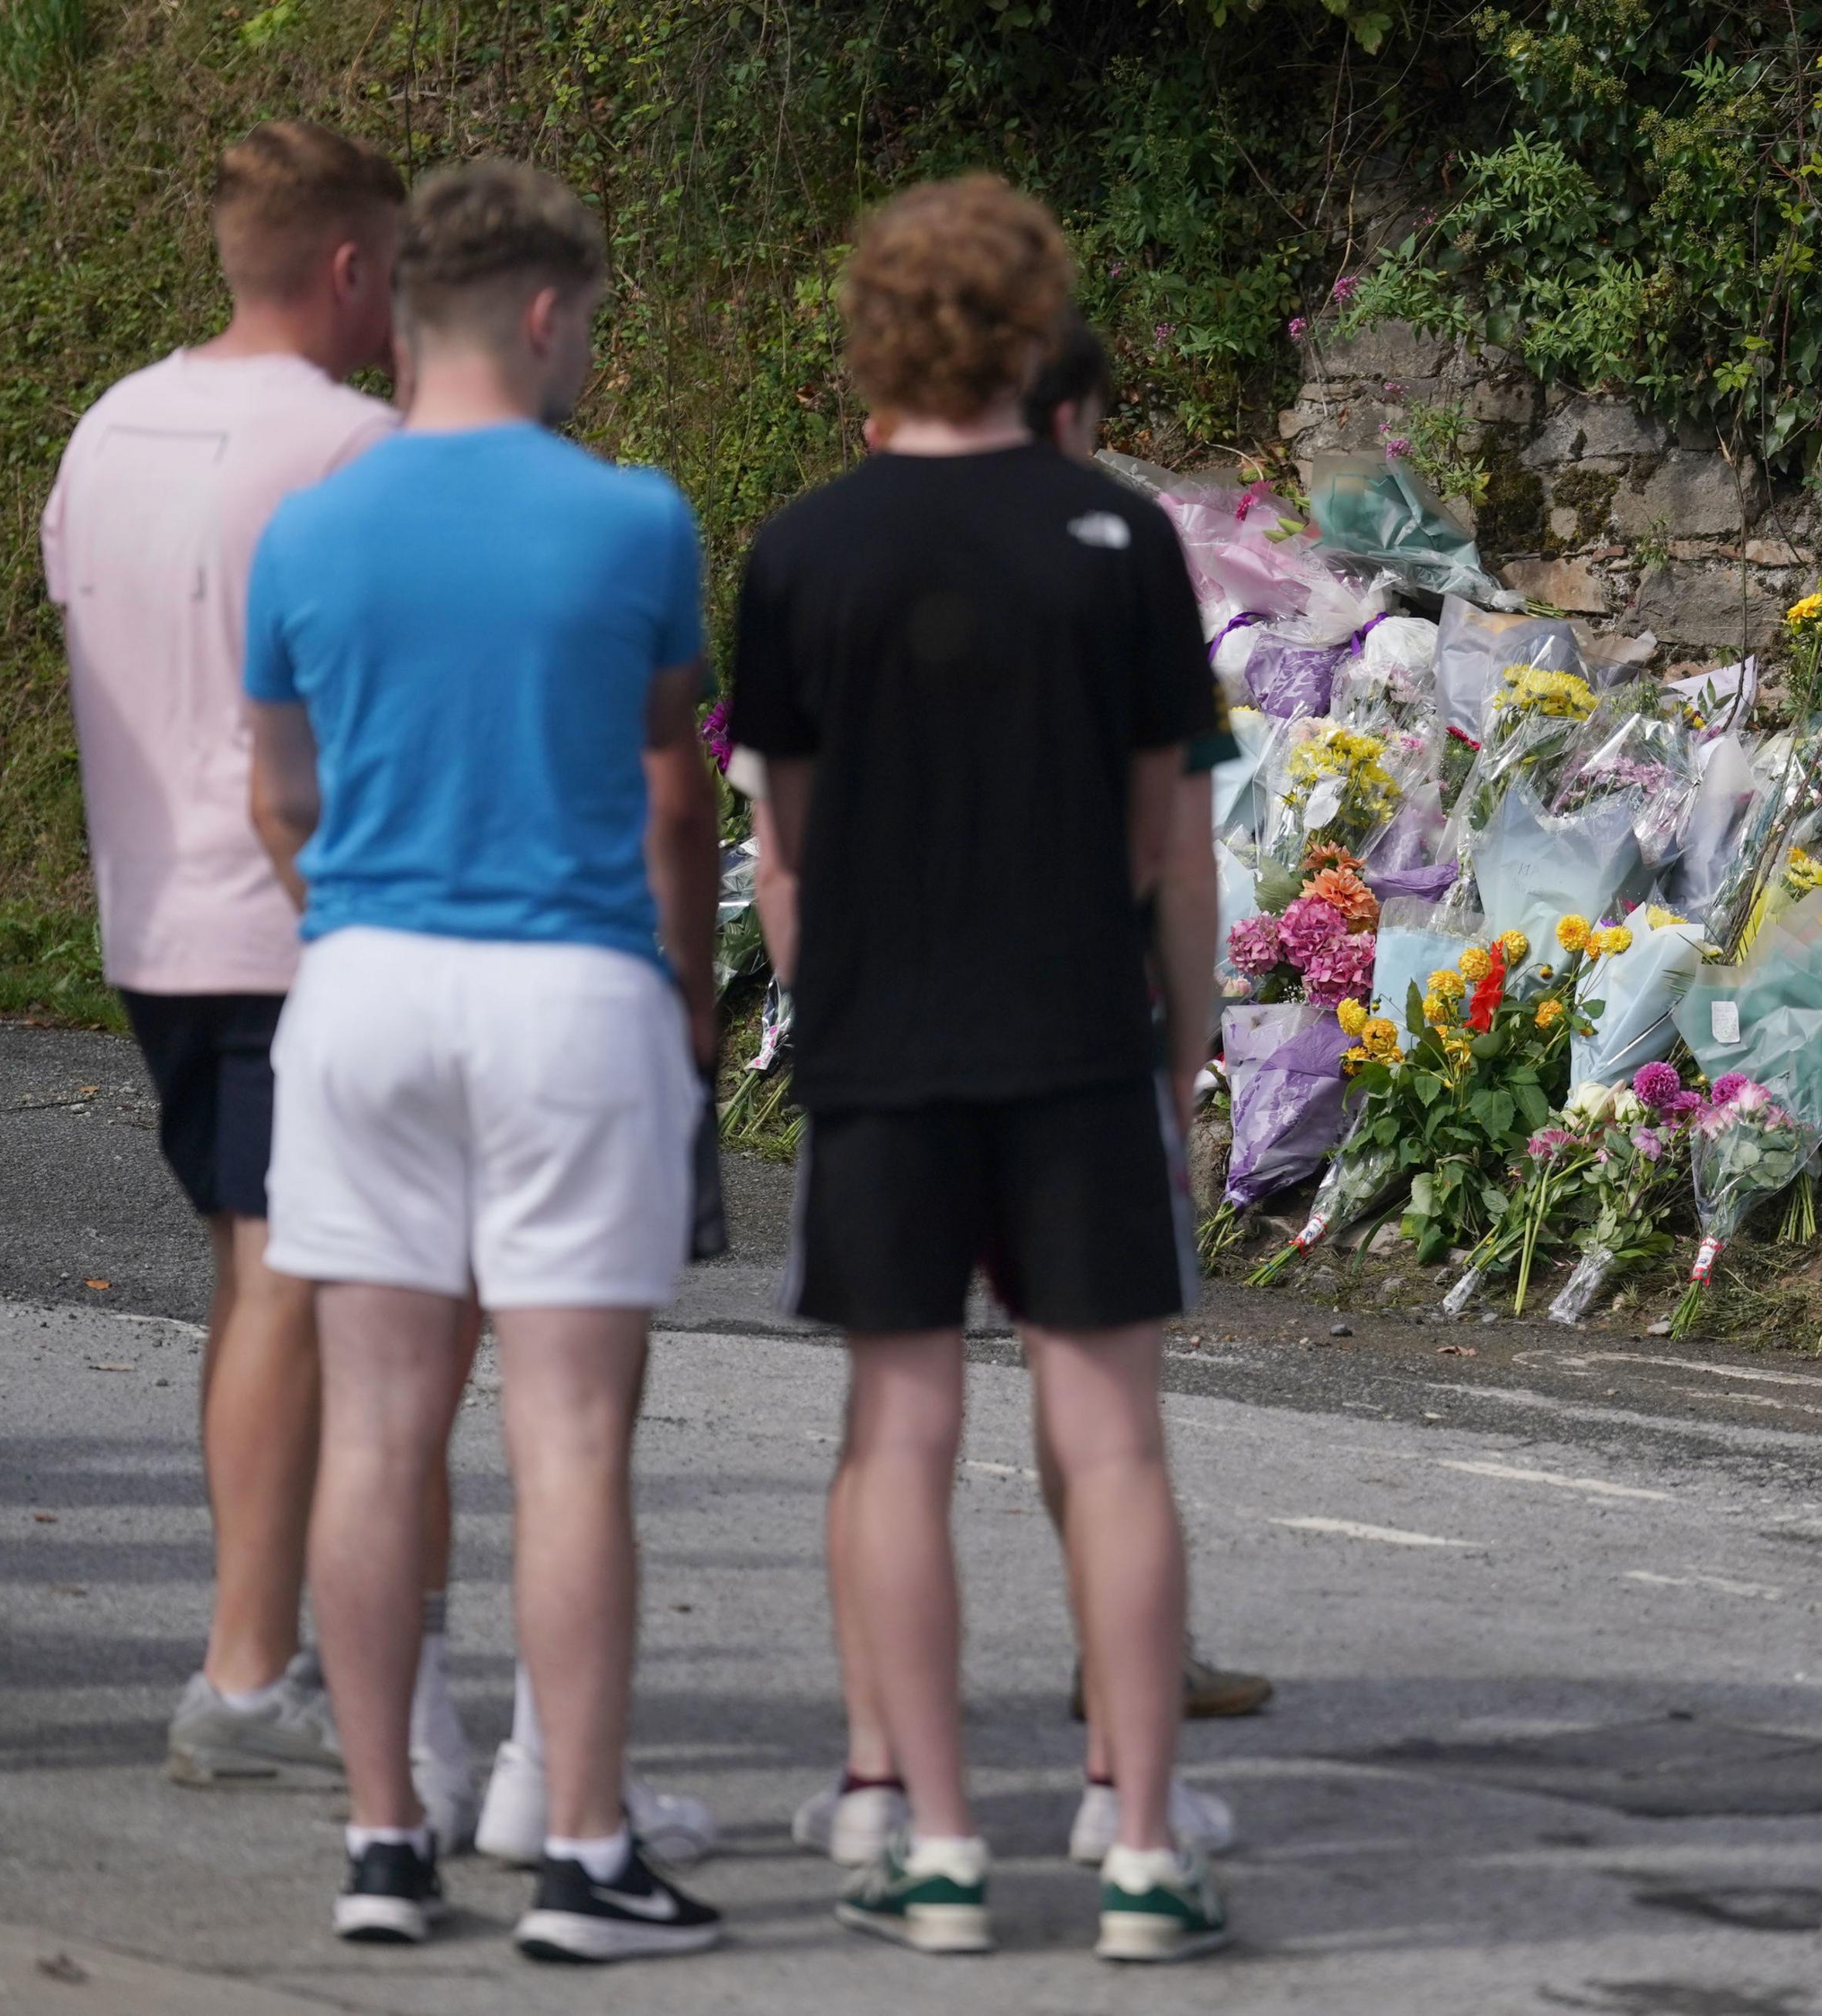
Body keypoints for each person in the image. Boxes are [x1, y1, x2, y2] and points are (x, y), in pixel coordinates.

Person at [732, 177, 1229, 1963]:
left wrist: (834, 1022)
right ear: (1037, 328)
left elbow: (782, 852)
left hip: (886, 1054)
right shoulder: (1118, 544)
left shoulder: (800, 554)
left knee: (900, 1439)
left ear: (874, 332)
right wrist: (1176, 1060)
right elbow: (1169, 850)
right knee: (1110, 1447)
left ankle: (937, 1845)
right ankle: (1148, 1853)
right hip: (1078, 1046)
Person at [243, 157, 723, 1961]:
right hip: (566, 986)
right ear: (541, 315)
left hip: (362, 983)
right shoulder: (633, 521)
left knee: (375, 1427)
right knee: (572, 1434)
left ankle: (385, 1840)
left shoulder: (309, 527)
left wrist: (354, 914)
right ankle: (583, 1852)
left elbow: (277, 792)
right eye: (585, 323)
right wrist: (686, 1005)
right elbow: (670, 784)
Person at [36, 117, 475, 1819]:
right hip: (309, 911)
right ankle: (244, 1669)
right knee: (300, 1282)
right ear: (355, 267)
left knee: (258, 1269)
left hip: (155, 917)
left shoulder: (107, 427)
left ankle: (263, 1651)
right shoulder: (360, 448)